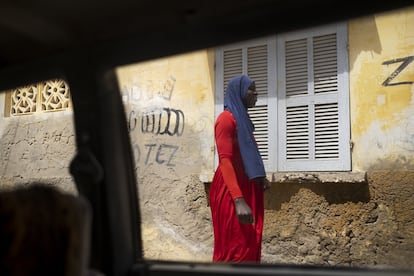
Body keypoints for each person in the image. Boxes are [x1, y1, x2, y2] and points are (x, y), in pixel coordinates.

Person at [209, 74, 271, 263]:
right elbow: (225, 161)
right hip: (231, 190)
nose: (256, 93)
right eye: (251, 89)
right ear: (240, 92)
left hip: (248, 186)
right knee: (235, 247)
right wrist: (238, 200)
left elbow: (248, 154)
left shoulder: (243, 120)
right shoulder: (225, 120)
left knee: (250, 243)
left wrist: (260, 177)